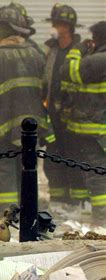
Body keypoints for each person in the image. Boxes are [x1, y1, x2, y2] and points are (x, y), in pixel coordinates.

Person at [0, 5, 54, 214]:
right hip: (31, 130)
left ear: (4, 29)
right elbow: (45, 91)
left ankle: (8, 216)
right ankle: (29, 213)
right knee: (27, 171)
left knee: (3, 172)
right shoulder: (36, 55)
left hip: (2, 130)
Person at [43, 4, 87, 210]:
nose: (55, 27)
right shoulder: (51, 50)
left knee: (74, 155)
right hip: (52, 112)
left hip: (74, 113)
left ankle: (78, 199)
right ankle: (58, 199)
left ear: (69, 27)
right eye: (54, 23)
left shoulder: (80, 50)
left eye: (59, 23)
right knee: (53, 155)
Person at [61, 21, 106, 217]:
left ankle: (101, 214)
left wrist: (77, 49)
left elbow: (68, 71)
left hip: (95, 128)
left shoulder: (98, 60)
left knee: (96, 170)